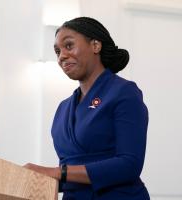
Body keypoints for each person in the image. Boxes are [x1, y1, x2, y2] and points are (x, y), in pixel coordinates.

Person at [24, 17, 150, 199]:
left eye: (68, 46)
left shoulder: (123, 92)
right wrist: (26, 178)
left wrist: (58, 172)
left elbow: (129, 164)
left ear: (95, 46)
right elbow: (71, 175)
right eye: (57, 51)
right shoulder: (63, 108)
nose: (61, 56)